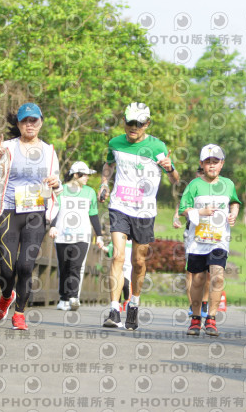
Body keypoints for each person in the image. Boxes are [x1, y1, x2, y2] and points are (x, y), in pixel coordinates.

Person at [0, 103, 62, 330]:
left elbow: (56, 183)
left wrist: (56, 183)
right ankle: (6, 296)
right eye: (25, 121)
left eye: (34, 120)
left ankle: (20, 313)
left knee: (26, 265)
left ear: (41, 122)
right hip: (7, 211)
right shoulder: (6, 147)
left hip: (35, 212)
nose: (29, 125)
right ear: (18, 124)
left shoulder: (49, 150)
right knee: (7, 267)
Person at [98, 102, 179, 330]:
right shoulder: (115, 143)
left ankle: (133, 304)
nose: (134, 127)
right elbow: (108, 165)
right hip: (119, 206)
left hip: (144, 211)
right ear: (124, 121)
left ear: (147, 124)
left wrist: (169, 167)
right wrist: (104, 183)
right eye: (130, 122)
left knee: (139, 261)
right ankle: (114, 310)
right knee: (118, 257)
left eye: (139, 123)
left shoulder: (157, 146)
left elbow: (175, 180)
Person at [180, 144, 241, 337]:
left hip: (219, 240)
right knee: (198, 281)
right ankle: (196, 319)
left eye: (215, 162)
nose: (212, 166)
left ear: (222, 164)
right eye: (208, 162)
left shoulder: (228, 184)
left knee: (217, 277)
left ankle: (212, 319)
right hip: (197, 241)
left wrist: (233, 213)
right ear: (202, 164)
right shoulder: (194, 185)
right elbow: (184, 209)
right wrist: (200, 212)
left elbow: (234, 202)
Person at [49, 161, 104, 311]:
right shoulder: (61, 190)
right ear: (75, 175)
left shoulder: (90, 192)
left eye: (88, 174)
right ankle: (63, 298)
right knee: (64, 266)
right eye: (84, 174)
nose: (87, 177)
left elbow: (93, 215)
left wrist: (99, 235)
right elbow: (55, 209)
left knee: (75, 266)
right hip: (62, 234)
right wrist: (52, 226)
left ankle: (73, 297)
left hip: (82, 235)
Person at [174, 167, 209, 318]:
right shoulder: (192, 187)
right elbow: (181, 206)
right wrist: (176, 217)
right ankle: (192, 304)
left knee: (209, 272)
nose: (200, 174)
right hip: (191, 233)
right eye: (199, 172)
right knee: (191, 271)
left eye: (202, 172)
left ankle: (205, 304)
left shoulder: (216, 189)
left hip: (211, 234)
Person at [102, 239, 133, 312]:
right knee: (117, 285)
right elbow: (109, 248)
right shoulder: (117, 238)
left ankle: (127, 300)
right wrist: (103, 248)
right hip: (118, 267)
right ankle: (117, 304)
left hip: (129, 268)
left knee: (126, 284)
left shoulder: (133, 241)